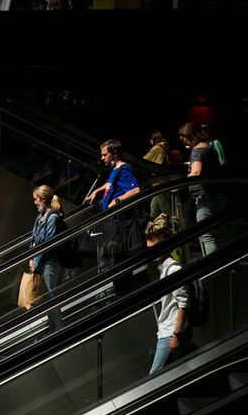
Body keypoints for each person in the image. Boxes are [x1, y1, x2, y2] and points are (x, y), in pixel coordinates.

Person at [145, 222, 191, 374]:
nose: (150, 252)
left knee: (155, 376)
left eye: (153, 248)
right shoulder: (163, 268)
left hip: (170, 333)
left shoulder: (173, 270)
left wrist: (175, 335)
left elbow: (183, 304)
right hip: (165, 331)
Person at [179, 122, 224, 257]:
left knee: (206, 235)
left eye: (186, 140)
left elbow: (197, 172)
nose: (186, 144)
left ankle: (211, 270)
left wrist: (180, 185)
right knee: (210, 233)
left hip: (205, 198)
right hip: (217, 195)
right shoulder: (210, 148)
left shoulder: (197, 150)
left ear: (191, 136)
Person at [29, 185, 65, 331]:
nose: (34, 202)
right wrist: (31, 258)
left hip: (49, 263)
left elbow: (48, 244)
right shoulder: (40, 217)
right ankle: (52, 329)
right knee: (46, 297)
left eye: (35, 199)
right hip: (39, 261)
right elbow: (33, 239)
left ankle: (60, 329)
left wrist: (36, 262)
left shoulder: (53, 218)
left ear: (43, 199)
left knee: (51, 295)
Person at [84, 139, 141, 210]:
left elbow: (135, 190)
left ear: (115, 153)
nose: (102, 158)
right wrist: (96, 191)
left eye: (105, 155)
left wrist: (116, 200)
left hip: (116, 217)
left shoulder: (123, 169)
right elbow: (110, 183)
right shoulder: (115, 168)